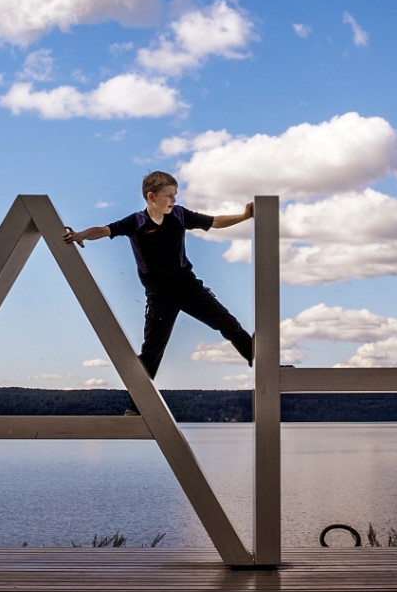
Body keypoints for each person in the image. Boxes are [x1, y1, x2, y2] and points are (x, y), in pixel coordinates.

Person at [63, 171, 254, 412]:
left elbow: (215, 221)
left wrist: (245, 216)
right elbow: (105, 229)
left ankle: (258, 360)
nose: (173, 200)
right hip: (159, 296)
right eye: (169, 196)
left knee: (229, 324)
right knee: (152, 352)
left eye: (175, 195)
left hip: (189, 288)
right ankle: (135, 406)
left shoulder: (180, 215)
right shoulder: (137, 222)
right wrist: (80, 235)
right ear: (151, 197)